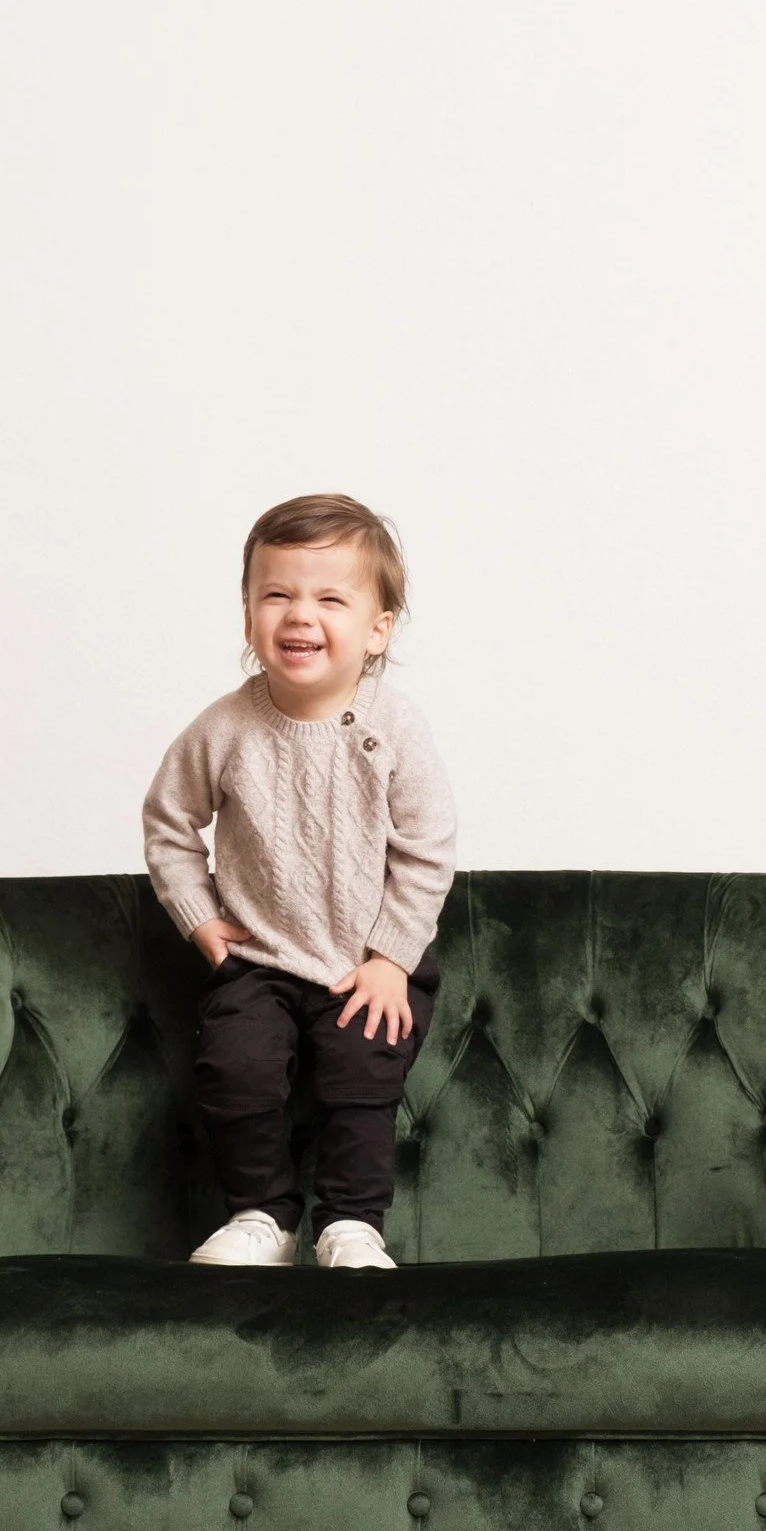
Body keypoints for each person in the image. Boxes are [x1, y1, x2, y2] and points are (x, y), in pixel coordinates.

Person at [141, 494, 457, 1269]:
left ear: (378, 628)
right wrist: (199, 916)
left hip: (365, 963)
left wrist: (393, 960)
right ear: (247, 614)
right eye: (275, 594)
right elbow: (168, 824)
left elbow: (428, 848)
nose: (298, 615)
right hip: (262, 958)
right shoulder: (223, 728)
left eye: (329, 599)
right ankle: (262, 1218)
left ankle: (351, 1222)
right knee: (236, 1070)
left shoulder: (397, 727)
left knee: (362, 1072)